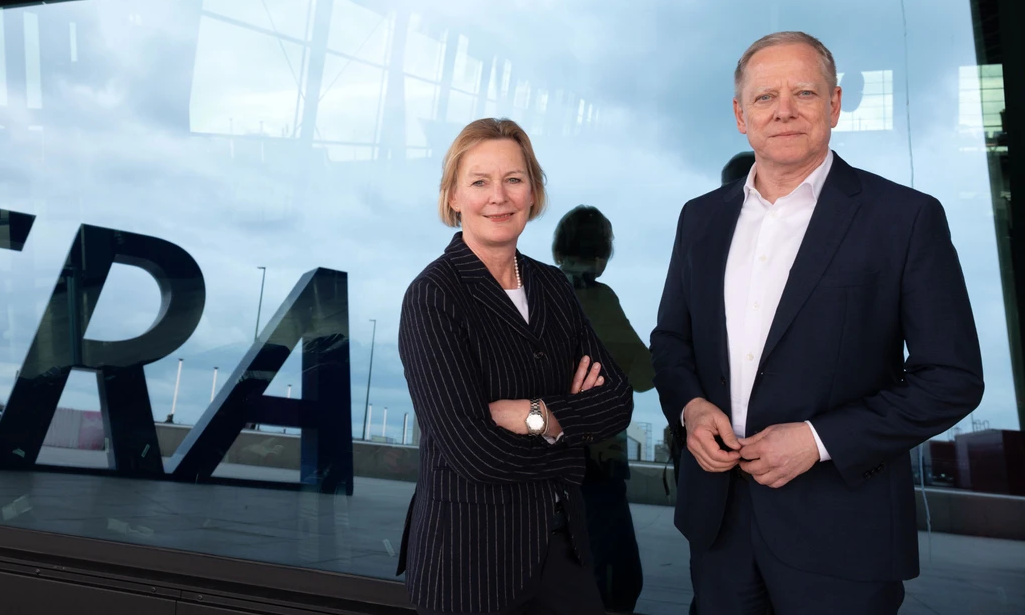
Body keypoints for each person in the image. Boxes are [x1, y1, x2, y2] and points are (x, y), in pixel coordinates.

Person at [650, 31, 984, 614]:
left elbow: (951, 377)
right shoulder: (700, 219)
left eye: (803, 92)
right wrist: (691, 408)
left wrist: (817, 440)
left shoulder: (904, 219)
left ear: (833, 104)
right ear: (739, 115)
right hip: (719, 528)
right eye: (764, 97)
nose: (783, 111)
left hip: (844, 536)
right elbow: (671, 341)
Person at [396, 118, 634, 615]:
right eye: (479, 182)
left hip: (563, 552)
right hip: (469, 565)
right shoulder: (434, 296)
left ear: (533, 192)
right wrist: (570, 448)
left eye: (514, 179)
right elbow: (474, 452)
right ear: (453, 197)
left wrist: (536, 416)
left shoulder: (552, 287)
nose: (498, 197)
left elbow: (616, 401)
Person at [552, 205, 654, 615]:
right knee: (616, 575)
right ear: (602, 256)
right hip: (595, 459)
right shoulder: (597, 299)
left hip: (544, 456)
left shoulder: (539, 289)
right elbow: (644, 373)